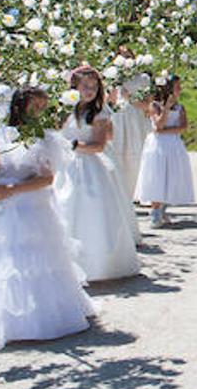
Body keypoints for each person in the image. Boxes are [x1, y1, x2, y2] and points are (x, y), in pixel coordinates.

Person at [0, 86, 97, 349]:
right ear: (19, 107)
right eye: (34, 107)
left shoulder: (43, 139)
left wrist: (12, 190)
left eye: (42, 107)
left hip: (28, 204)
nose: (38, 112)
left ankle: (38, 316)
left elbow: (47, 179)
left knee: (33, 260)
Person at [56, 66, 141, 280]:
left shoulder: (99, 113)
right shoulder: (64, 110)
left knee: (90, 214)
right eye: (85, 86)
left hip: (88, 166)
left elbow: (98, 145)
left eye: (94, 86)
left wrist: (71, 145)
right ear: (74, 87)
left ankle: (96, 264)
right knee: (63, 208)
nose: (90, 90)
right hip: (65, 165)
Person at [135, 76, 195, 227]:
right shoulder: (155, 106)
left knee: (171, 176)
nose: (179, 90)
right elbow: (158, 125)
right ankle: (154, 211)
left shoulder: (180, 108)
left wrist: (166, 131)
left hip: (174, 145)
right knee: (157, 176)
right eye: (177, 87)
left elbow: (182, 127)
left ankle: (163, 208)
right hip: (158, 146)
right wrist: (166, 109)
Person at [107, 65, 152, 202]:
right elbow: (110, 101)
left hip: (136, 120)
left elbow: (148, 104)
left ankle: (140, 191)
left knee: (138, 154)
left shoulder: (143, 78)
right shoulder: (113, 77)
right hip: (119, 120)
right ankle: (119, 191)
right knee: (119, 154)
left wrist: (130, 98)